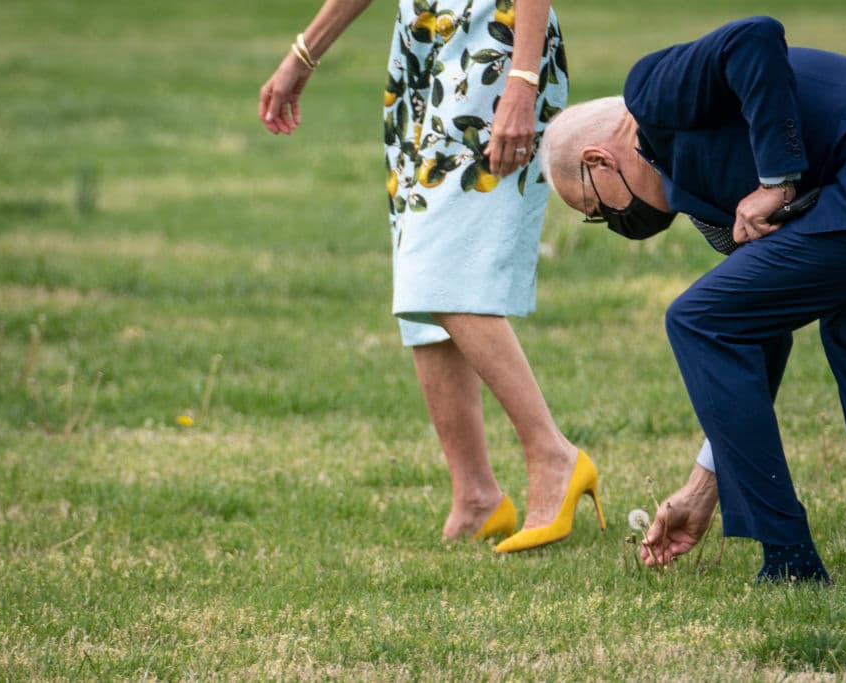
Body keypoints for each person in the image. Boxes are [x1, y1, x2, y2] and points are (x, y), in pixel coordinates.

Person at [539, 16, 846, 581]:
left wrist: (778, 180)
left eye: (596, 213)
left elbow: (753, 35)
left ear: (598, 162)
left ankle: (789, 558)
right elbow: (759, 336)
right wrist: (704, 486)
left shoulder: (650, 94)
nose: (612, 223)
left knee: (695, 319)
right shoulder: (707, 204)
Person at [258, 0, 604, 552]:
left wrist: (520, 80)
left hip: (497, 48)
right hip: (421, 50)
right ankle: (476, 495)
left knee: (436, 270)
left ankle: (553, 455)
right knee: (417, 270)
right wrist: (304, 54)